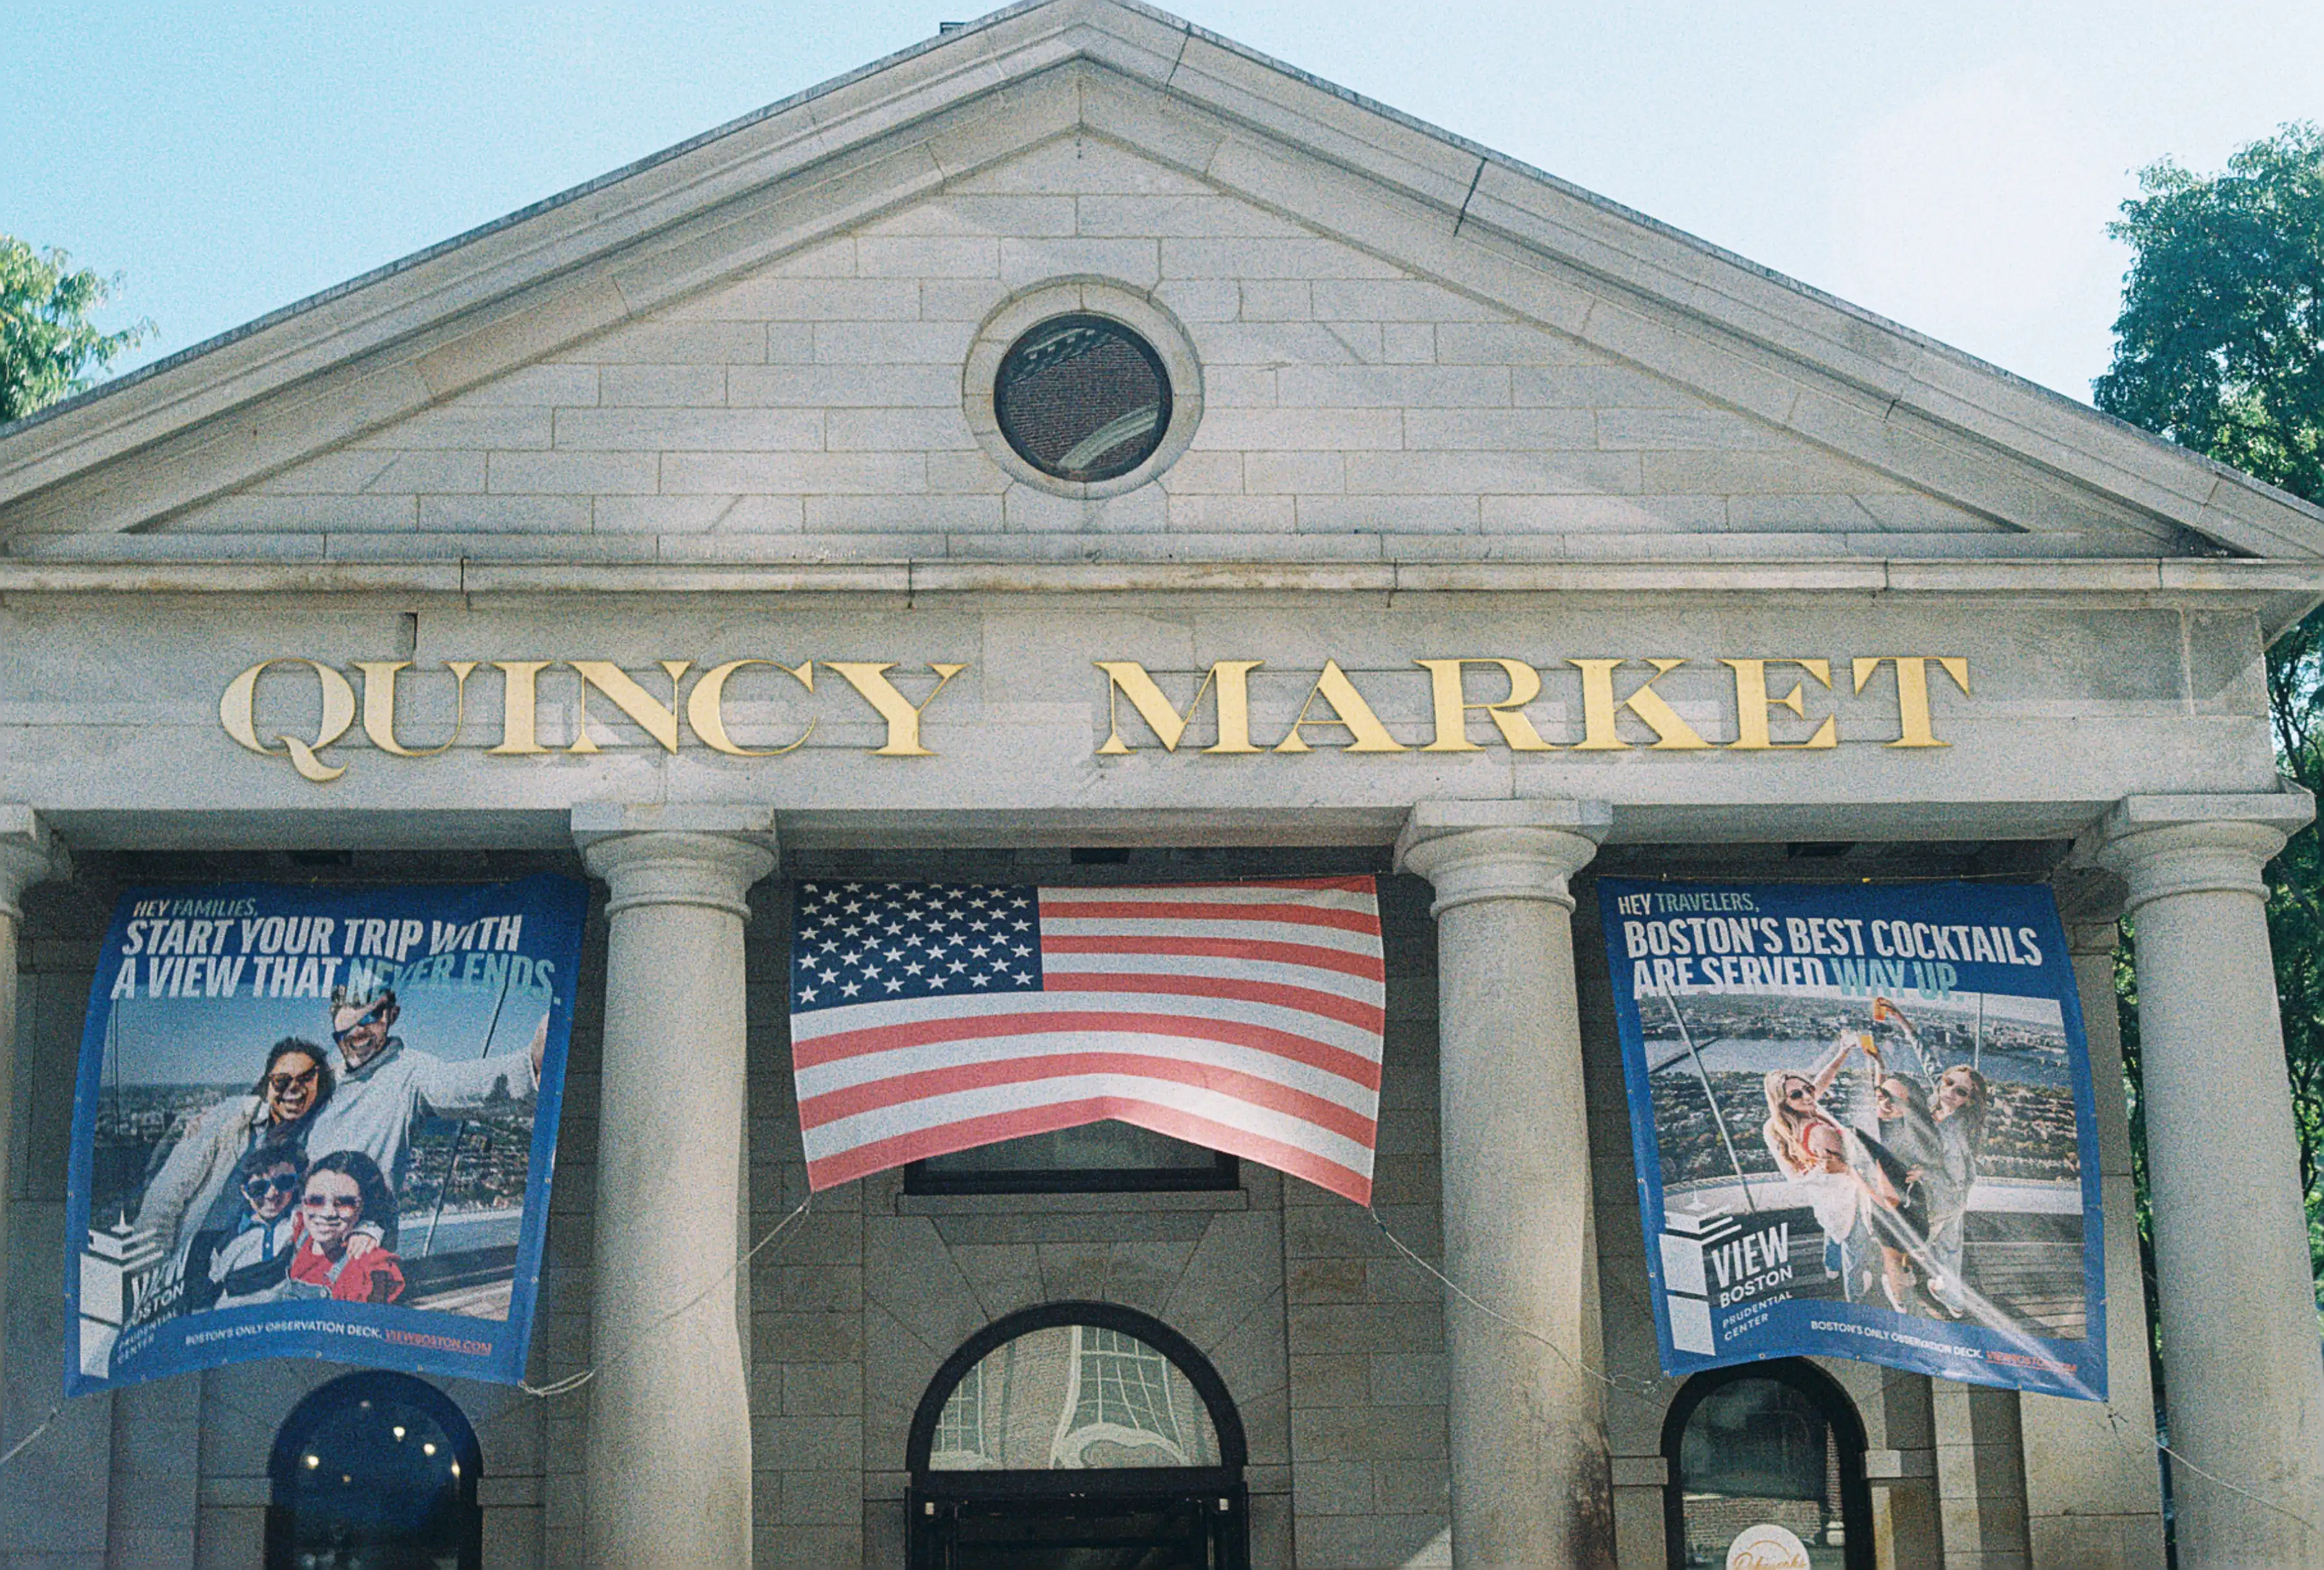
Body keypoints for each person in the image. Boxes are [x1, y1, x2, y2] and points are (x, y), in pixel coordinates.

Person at [298, 982, 548, 1216]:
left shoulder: (410, 1071)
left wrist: (529, 1066)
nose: (357, 1036)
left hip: (363, 1241)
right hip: (304, 1233)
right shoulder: (318, 1080)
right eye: (344, 1032)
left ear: (392, 1015)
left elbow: (456, 1085)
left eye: (368, 1019)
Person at [133, 1038, 333, 1312]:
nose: (293, 1090)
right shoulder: (229, 1120)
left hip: (260, 1269)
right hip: (196, 1258)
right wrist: (152, 1283)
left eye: (306, 1079)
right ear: (267, 1083)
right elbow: (164, 1200)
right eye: (282, 1081)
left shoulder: (313, 1137)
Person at [1762, 1034, 1895, 1303]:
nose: (1809, 1095)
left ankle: (1831, 1268)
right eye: (1797, 1094)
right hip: (1846, 1195)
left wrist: (1843, 1051)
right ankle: (1855, 1295)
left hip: (1825, 1197)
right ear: (1783, 1101)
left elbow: (1821, 1082)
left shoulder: (1785, 1124)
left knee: (1833, 1230)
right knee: (1854, 1248)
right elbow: (1848, 1167)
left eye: (1808, 1089)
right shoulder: (1819, 1131)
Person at [1864, 1075, 1945, 1314]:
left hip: (1912, 1200)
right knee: (1892, 1252)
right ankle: (1899, 1299)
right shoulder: (1869, 1124)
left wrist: (1925, 1170)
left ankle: (1905, 1273)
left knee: (1909, 1246)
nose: (1886, 1101)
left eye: (1895, 1098)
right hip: (1882, 1201)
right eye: (1881, 1093)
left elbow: (1936, 1160)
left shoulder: (1917, 1129)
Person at [285, 1151, 406, 1305]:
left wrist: (370, 1228)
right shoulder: (301, 1230)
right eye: (316, 1200)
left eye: (345, 1203)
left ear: (363, 1207)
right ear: (303, 1202)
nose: (328, 1213)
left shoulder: (365, 1268)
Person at [1926, 1065, 1993, 1316]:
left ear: (1968, 1102)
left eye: (1961, 1091)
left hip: (1943, 1200)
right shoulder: (1934, 1106)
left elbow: (1955, 1179)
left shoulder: (1957, 1130)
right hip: (1948, 1200)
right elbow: (1931, 1065)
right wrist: (1906, 1027)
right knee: (1950, 1250)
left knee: (1927, 1243)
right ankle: (1952, 1298)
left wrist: (1926, 1173)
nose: (1951, 1091)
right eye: (1948, 1082)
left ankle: (1945, 1295)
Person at [206, 1149, 305, 1308]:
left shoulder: (303, 1219)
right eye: (259, 1188)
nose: (272, 1194)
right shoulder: (230, 1242)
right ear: (245, 1192)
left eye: (284, 1183)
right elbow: (215, 1284)